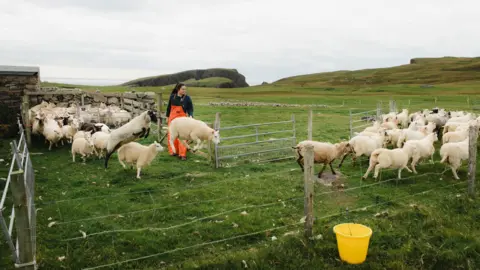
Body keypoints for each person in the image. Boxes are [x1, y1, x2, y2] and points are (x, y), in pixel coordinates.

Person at [166, 83, 194, 161]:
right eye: (183, 89)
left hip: (182, 120)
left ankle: (182, 154)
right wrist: (167, 117)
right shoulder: (172, 97)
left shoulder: (187, 98)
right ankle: (173, 151)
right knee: (171, 135)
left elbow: (190, 109)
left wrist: (191, 115)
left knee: (183, 136)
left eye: (185, 89)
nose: (185, 90)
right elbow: (169, 108)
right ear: (178, 89)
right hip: (172, 119)